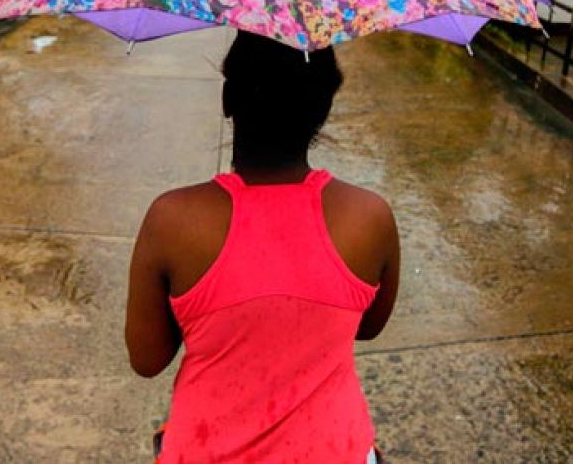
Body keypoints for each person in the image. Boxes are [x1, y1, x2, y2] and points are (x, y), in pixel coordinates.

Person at [124, 30, 402, 462]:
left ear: (227, 100)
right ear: (324, 107)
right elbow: (367, 327)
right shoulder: (368, 217)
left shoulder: (173, 219)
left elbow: (147, 358)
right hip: (335, 448)